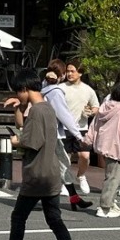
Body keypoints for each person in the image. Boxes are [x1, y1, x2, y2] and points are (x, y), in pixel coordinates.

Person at [0, 72, 84, 240]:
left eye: (18, 92)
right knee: (54, 219)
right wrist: (20, 109)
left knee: (19, 217)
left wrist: (15, 143)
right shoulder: (46, 107)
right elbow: (24, 127)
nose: (17, 96)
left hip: (37, 174)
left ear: (24, 89)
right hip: (51, 173)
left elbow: (31, 141)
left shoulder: (38, 112)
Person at [43, 59, 92, 211]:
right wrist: (78, 135)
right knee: (63, 165)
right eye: (66, 72)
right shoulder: (56, 92)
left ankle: (74, 198)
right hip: (53, 134)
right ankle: (71, 199)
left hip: (43, 132)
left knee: (59, 166)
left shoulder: (44, 88)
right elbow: (64, 115)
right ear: (62, 74)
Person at [83, 80, 120, 219]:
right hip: (117, 147)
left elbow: (94, 124)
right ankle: (105, 206)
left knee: (119, 174)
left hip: (104, 145)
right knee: (114, 177)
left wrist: (88, 139)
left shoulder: (105, 105)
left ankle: (111, 202)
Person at [62, 61, 100, 194]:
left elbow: (96, 106)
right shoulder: (61, 88)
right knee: (64, 157)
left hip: (82, 128)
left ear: (80, 73)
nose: (69, 74)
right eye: (68, 71)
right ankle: (64, 181)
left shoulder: (88, 90)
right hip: (64, 127)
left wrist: (91, 112)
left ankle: (81, 176)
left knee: (85, 156)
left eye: (72, 71)